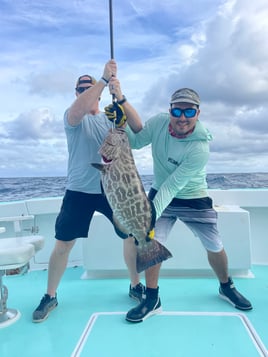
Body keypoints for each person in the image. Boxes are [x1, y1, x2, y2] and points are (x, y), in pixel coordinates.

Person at [108, 85, 253, 323]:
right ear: (170, 111)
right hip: (160, 191)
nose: (182, 118)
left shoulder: (200, 147)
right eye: (177, 112)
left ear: (198, 113)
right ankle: (153, 298)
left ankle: (226, 286)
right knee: (151, 243)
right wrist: (121, 124)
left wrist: (150, 212)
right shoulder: (157, 123)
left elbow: (173, 186)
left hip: (193, 196)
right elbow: (134, 142)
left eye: (189, 112)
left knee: (214, 245)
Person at [32, 60, 144, 322]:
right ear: (76, 93)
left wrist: (121, 97)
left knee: (130, 236)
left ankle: (135, 285)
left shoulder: (109, 118)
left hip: (113, 188)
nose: (85, 91)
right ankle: (50, 295)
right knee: (64, 243)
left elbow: (138, 128)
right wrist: (103, 81)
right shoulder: (73, 117)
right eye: (81, 88)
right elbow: (79, 109)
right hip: (79, 190)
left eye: (88, 87)